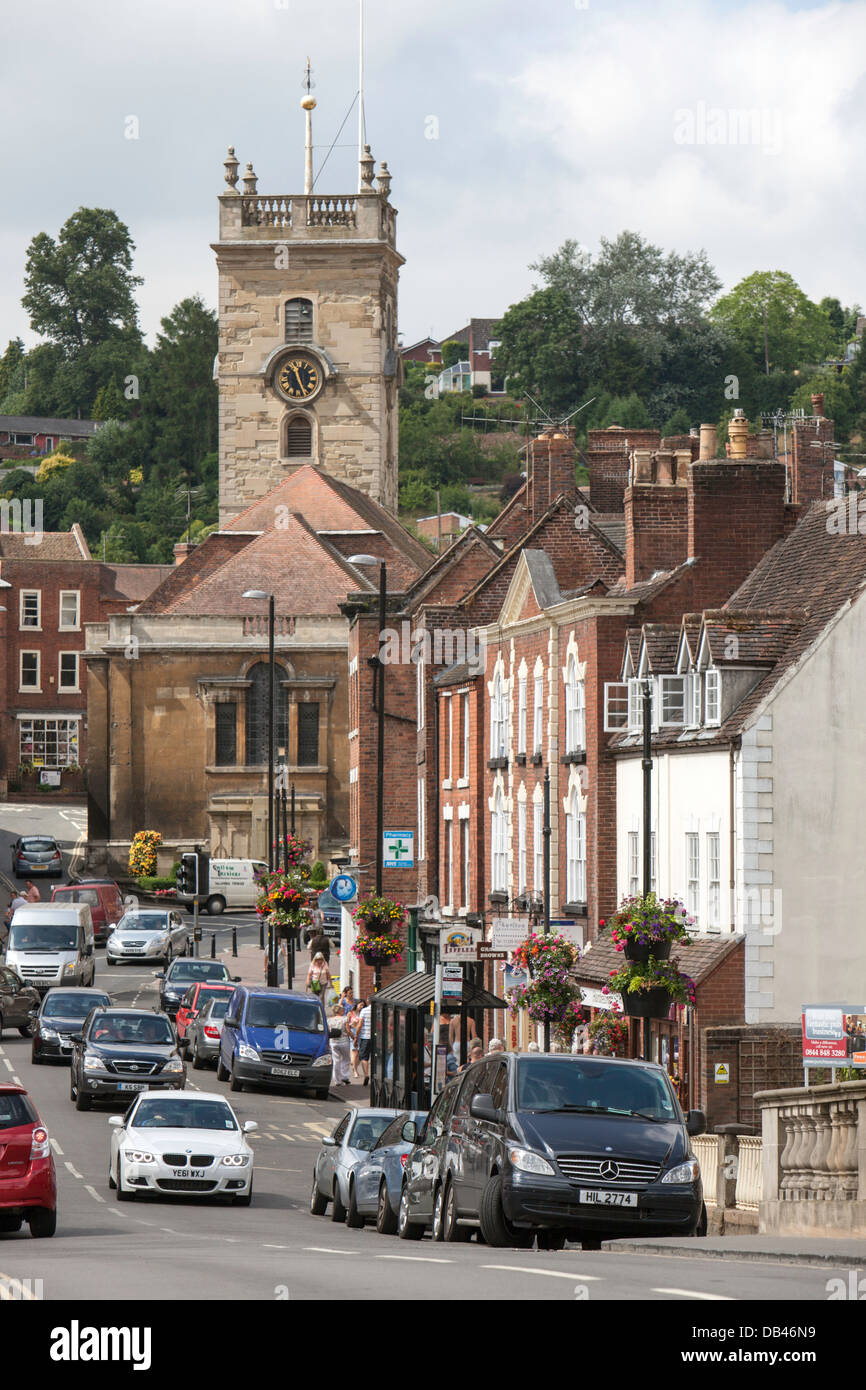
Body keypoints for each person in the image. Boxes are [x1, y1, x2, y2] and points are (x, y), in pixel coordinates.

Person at [328, 1004, 352, 1086]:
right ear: (340, 1011)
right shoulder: (344, 1019)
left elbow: (328, 1031)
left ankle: (337, 1080)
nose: (343, 1011)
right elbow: (348, 1030)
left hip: (333, 1042)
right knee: (346, 1059)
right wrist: (354, 1037)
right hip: (344, 1041)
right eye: (342, 1010)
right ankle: (344, 1077)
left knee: (336, 1061)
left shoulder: (329, 1020)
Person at [346, 998, 365, 1079]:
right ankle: (355, 1071)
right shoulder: (350, 1013)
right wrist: (351, 1025)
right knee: (355, 1052)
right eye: (361, 1005)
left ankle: (354, 1066)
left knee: (359, 1054)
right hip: (353, 1034)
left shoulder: (363, 1013)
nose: (362, 1007)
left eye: (363, 1005)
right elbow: (346, 1025)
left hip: (362, 1034)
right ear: (356, 1005)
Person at [357, 997, 373, 1086]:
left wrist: (356, 1037)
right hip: (375, 1037)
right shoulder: (378, 1010)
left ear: (368, 1001)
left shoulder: (364, 1011)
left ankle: (366, 1074)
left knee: (364, 1057)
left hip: (365, 1037)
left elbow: (360, 1025)